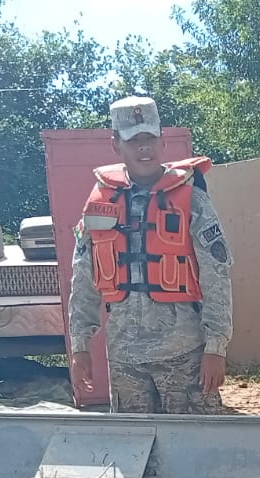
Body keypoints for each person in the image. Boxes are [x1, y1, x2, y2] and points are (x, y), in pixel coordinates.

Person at [69, 95, 234, 414]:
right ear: (116, 145)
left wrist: (216, 347)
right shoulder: (100, 203)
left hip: (184, 354)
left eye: (150, 138)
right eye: (133, 140)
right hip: (125, 360)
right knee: (134, 442)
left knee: (197, 440)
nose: (144, 148)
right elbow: (83, 279)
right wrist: (80, 348)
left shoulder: (193, 199)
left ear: (162, 141)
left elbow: (217, 275)